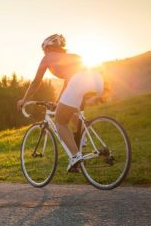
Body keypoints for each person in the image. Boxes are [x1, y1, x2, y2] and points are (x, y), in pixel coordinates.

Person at [17, 34, 104, 172]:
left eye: (44, 49)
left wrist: (24, 99)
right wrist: (58, 102)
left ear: (48, 48)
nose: (44, 53)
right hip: (97, 79)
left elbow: (35, 82)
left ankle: (76, 156)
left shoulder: (48, 57)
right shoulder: (70, 57)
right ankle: (83, 140)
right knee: (71, 113)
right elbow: (68, 84)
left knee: (60, 121)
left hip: (79, 81)